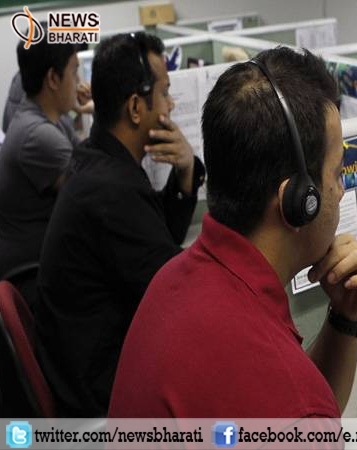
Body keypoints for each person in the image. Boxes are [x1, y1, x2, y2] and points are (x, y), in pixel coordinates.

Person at [108, 46, 357, 418]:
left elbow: (309, 402)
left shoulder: (174, 278)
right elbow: (303, 409)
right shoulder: (290, 403)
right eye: (336, 172)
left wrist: (346, 318)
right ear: (298, 200)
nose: (342, 189)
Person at [35, 31, 205, 417]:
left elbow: (157, 238)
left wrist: (185, 171)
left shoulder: (97, 159)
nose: (171, 104)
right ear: (135, 107)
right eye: (164, 92)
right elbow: (176, 292)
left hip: (84, 362)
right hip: (98, 390)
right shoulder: (110, 190)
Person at [0, 34, 79, 279]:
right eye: (74, 72)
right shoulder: (37, 135)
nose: (79, 82)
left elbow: (88, 162)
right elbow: (91, 188)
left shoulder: (49, 117)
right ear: (53, 79)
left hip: (47, 258)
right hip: (33, 273)